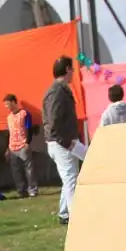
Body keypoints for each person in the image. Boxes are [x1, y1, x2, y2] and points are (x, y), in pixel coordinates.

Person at [43, 56, 81, 225]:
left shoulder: (60, 89)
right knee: (71, 178)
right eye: (72, 69)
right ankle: (74, 217)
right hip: (61, 142)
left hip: (62, 141)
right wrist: (67, 142)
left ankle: (65, 212)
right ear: (67, 69)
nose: (73, 72)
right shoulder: (57, 91)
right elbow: (54, 122)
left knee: (69, 178)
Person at [3, 94, 38, 198]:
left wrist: (27, 142)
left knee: (29, 168)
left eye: (8, 104)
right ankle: (21, 190)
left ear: (13, 102)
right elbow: (9, 133)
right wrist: (7, 148)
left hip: (23, 145)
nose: (7, 107)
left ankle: (32, 189)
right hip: (12, 147)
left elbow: (28, 128)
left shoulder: (24, 113)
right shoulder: (9, 117)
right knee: (16, 170)